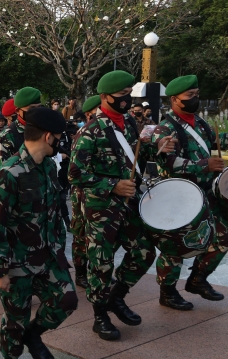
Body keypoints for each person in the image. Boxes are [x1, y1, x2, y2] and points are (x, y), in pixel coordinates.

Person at [69, 70, 156, 340]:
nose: (126, 99)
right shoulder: (90, 131)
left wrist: (157, 147)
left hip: (128, 203)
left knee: (144, 252)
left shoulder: (129, 123)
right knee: (101, 262)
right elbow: (75, 174)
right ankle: (100, 316)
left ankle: (117, 297)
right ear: (104, 97)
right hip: (100, 207)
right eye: (121, 95)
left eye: (129, 93)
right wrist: (112, 185)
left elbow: (134, 153)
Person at [0, 106, 77, 359]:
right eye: (61, 137)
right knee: (14, 324)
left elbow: (53, 211)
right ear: (48, 137)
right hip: (18, 263)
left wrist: (59, 247)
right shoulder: (10, 172)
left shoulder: (49, 167)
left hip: (48, 256)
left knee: (66, 301)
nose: (63, 142)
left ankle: (34, 334)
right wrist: (0, 269)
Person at [152, 75, 228, 310]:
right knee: (175, 246)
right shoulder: (164, 129)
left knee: (222, 237)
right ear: (175, 99)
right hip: (179, 195)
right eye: (190, 95)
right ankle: (168, 291)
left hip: (207, 193)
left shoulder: (202, 124)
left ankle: (198, 279)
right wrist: (205, 165)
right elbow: (168, 164)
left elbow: (212, 144)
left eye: (197, 94)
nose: (195, 99)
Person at [69, 94, 101, 288]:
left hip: (102, 193)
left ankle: (98, 271)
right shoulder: (86, 132)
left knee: (98, 237)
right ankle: (81, 273)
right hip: (83, 193)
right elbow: (76, 172)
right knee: (81, 234)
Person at [0, 87, 42, 181]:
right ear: (18, 111)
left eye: (39, 108)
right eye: (31, 109)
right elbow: (6, 174)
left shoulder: (40, 131)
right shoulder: (6, 136)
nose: (36, 112)